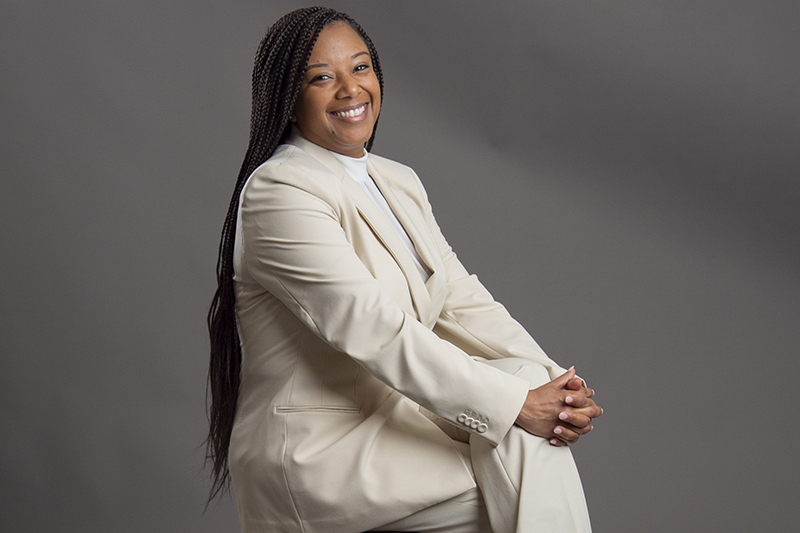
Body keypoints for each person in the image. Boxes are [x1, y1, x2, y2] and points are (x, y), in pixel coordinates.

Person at [206, 7, 602, 533]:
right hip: (322, 454)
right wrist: (519, 407)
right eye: (321, 77)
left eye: (361, 67)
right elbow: (374, 329)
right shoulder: (280, 191)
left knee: (524, 396)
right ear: (288, 98)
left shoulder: (397, 182)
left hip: (396, 426)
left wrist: (557, 387)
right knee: (522, 472)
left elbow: (465, 302)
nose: (350, 89)